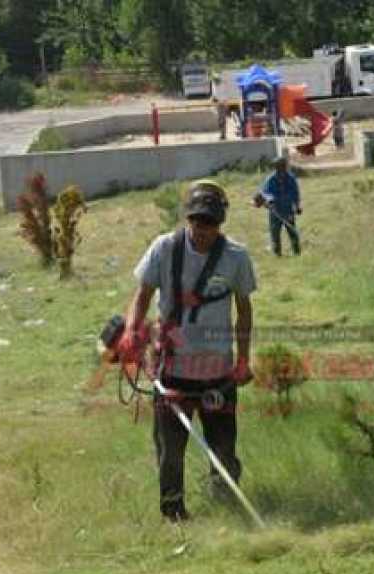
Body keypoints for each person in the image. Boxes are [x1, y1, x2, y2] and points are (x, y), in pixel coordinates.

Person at [118, 180, 257, 522]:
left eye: (210, 223)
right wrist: (133, 330)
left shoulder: (236, 257)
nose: (202, 230)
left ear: (220, 222)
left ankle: (226, 505)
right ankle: (174, 513)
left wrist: (243, 360)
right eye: (197, 221)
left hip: (217, 372)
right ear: (187, 218)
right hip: (172, 368)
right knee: (170, 449)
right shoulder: (164, 248)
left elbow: (244, 311)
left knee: (223, 446)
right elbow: (143, 295)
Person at [258, 156, 302, 256]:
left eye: (283, 166)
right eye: (279, 167)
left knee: (292, 231)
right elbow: (265, 192)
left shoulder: (291, 178)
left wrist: (297, 206)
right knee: (275, 233)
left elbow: (295, 194)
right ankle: (277, 253)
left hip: (288, 210)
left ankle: (297, 252)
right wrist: (269, 200)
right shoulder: (271, 179)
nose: (282, 169)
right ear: (276, 168)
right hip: (275, 211)